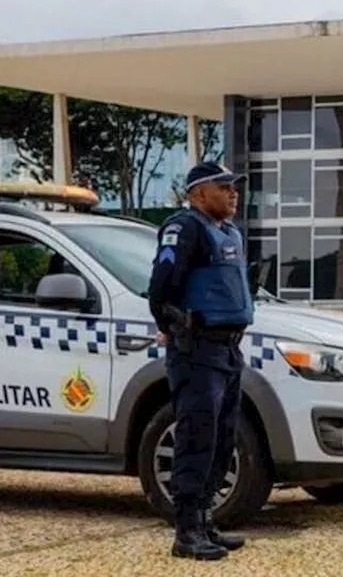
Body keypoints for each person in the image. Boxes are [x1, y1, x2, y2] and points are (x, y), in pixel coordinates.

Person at [147, 161, 253, 561]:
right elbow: (162, 286)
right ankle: (186, 531)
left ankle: (206, 519)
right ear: (197, 193)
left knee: (223, 438)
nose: (232, 193)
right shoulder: (185, 227)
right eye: (223, 186)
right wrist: (173, 327)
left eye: (234, 187)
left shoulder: (228, 232)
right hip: (198, 349)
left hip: (227, 349)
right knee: (196, 438)